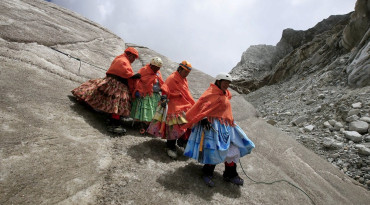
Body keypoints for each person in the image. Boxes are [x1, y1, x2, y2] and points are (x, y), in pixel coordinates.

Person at [183, 72, 255, 187]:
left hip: (226, 126)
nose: (226, 85)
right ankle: (207, 173)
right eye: (224, 82)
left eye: (228, 83)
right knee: (213, 150)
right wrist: (203, 118)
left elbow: (226, 102)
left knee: (233, 148)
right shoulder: (211, 93)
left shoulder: (225, 94)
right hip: (212, 126)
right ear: (218, 81)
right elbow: (202, 105)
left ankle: (230, 174)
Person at [71, 47, 141, 134]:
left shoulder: (121, 59)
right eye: (134, 57)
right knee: (119, 102)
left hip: (114, 81)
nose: (134, 59)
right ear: (129, 54)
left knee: (102, 95)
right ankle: (113, 124)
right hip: (116, 83)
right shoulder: (122, 60)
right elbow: (124, 72)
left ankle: (108, 116)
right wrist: (133, 76)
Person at [147, 61, 195, 159]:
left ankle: (182, 141)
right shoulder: (172, 78)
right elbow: (165, 89)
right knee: (174, 126)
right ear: (180, 69)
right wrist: (164, 99)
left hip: (183, 104)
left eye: (188, 73)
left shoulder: (184, 80)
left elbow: (186, 93)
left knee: (187, 123)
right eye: (185, 72)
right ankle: (170, 146)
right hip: (173, 104)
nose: (186, 74)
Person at [130, 57, 164, 134]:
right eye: (155, 67)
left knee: (154, 112)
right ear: (151, 65)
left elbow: (161, 82)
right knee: (144, 110)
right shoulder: (144, 70)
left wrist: (162, 89)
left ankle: (150, 127)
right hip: (145, 93)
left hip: (155, 95)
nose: (157, 69)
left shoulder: (158, 73)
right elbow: (138, 81)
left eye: (158, 68)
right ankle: (142, 126)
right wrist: (138, 90)